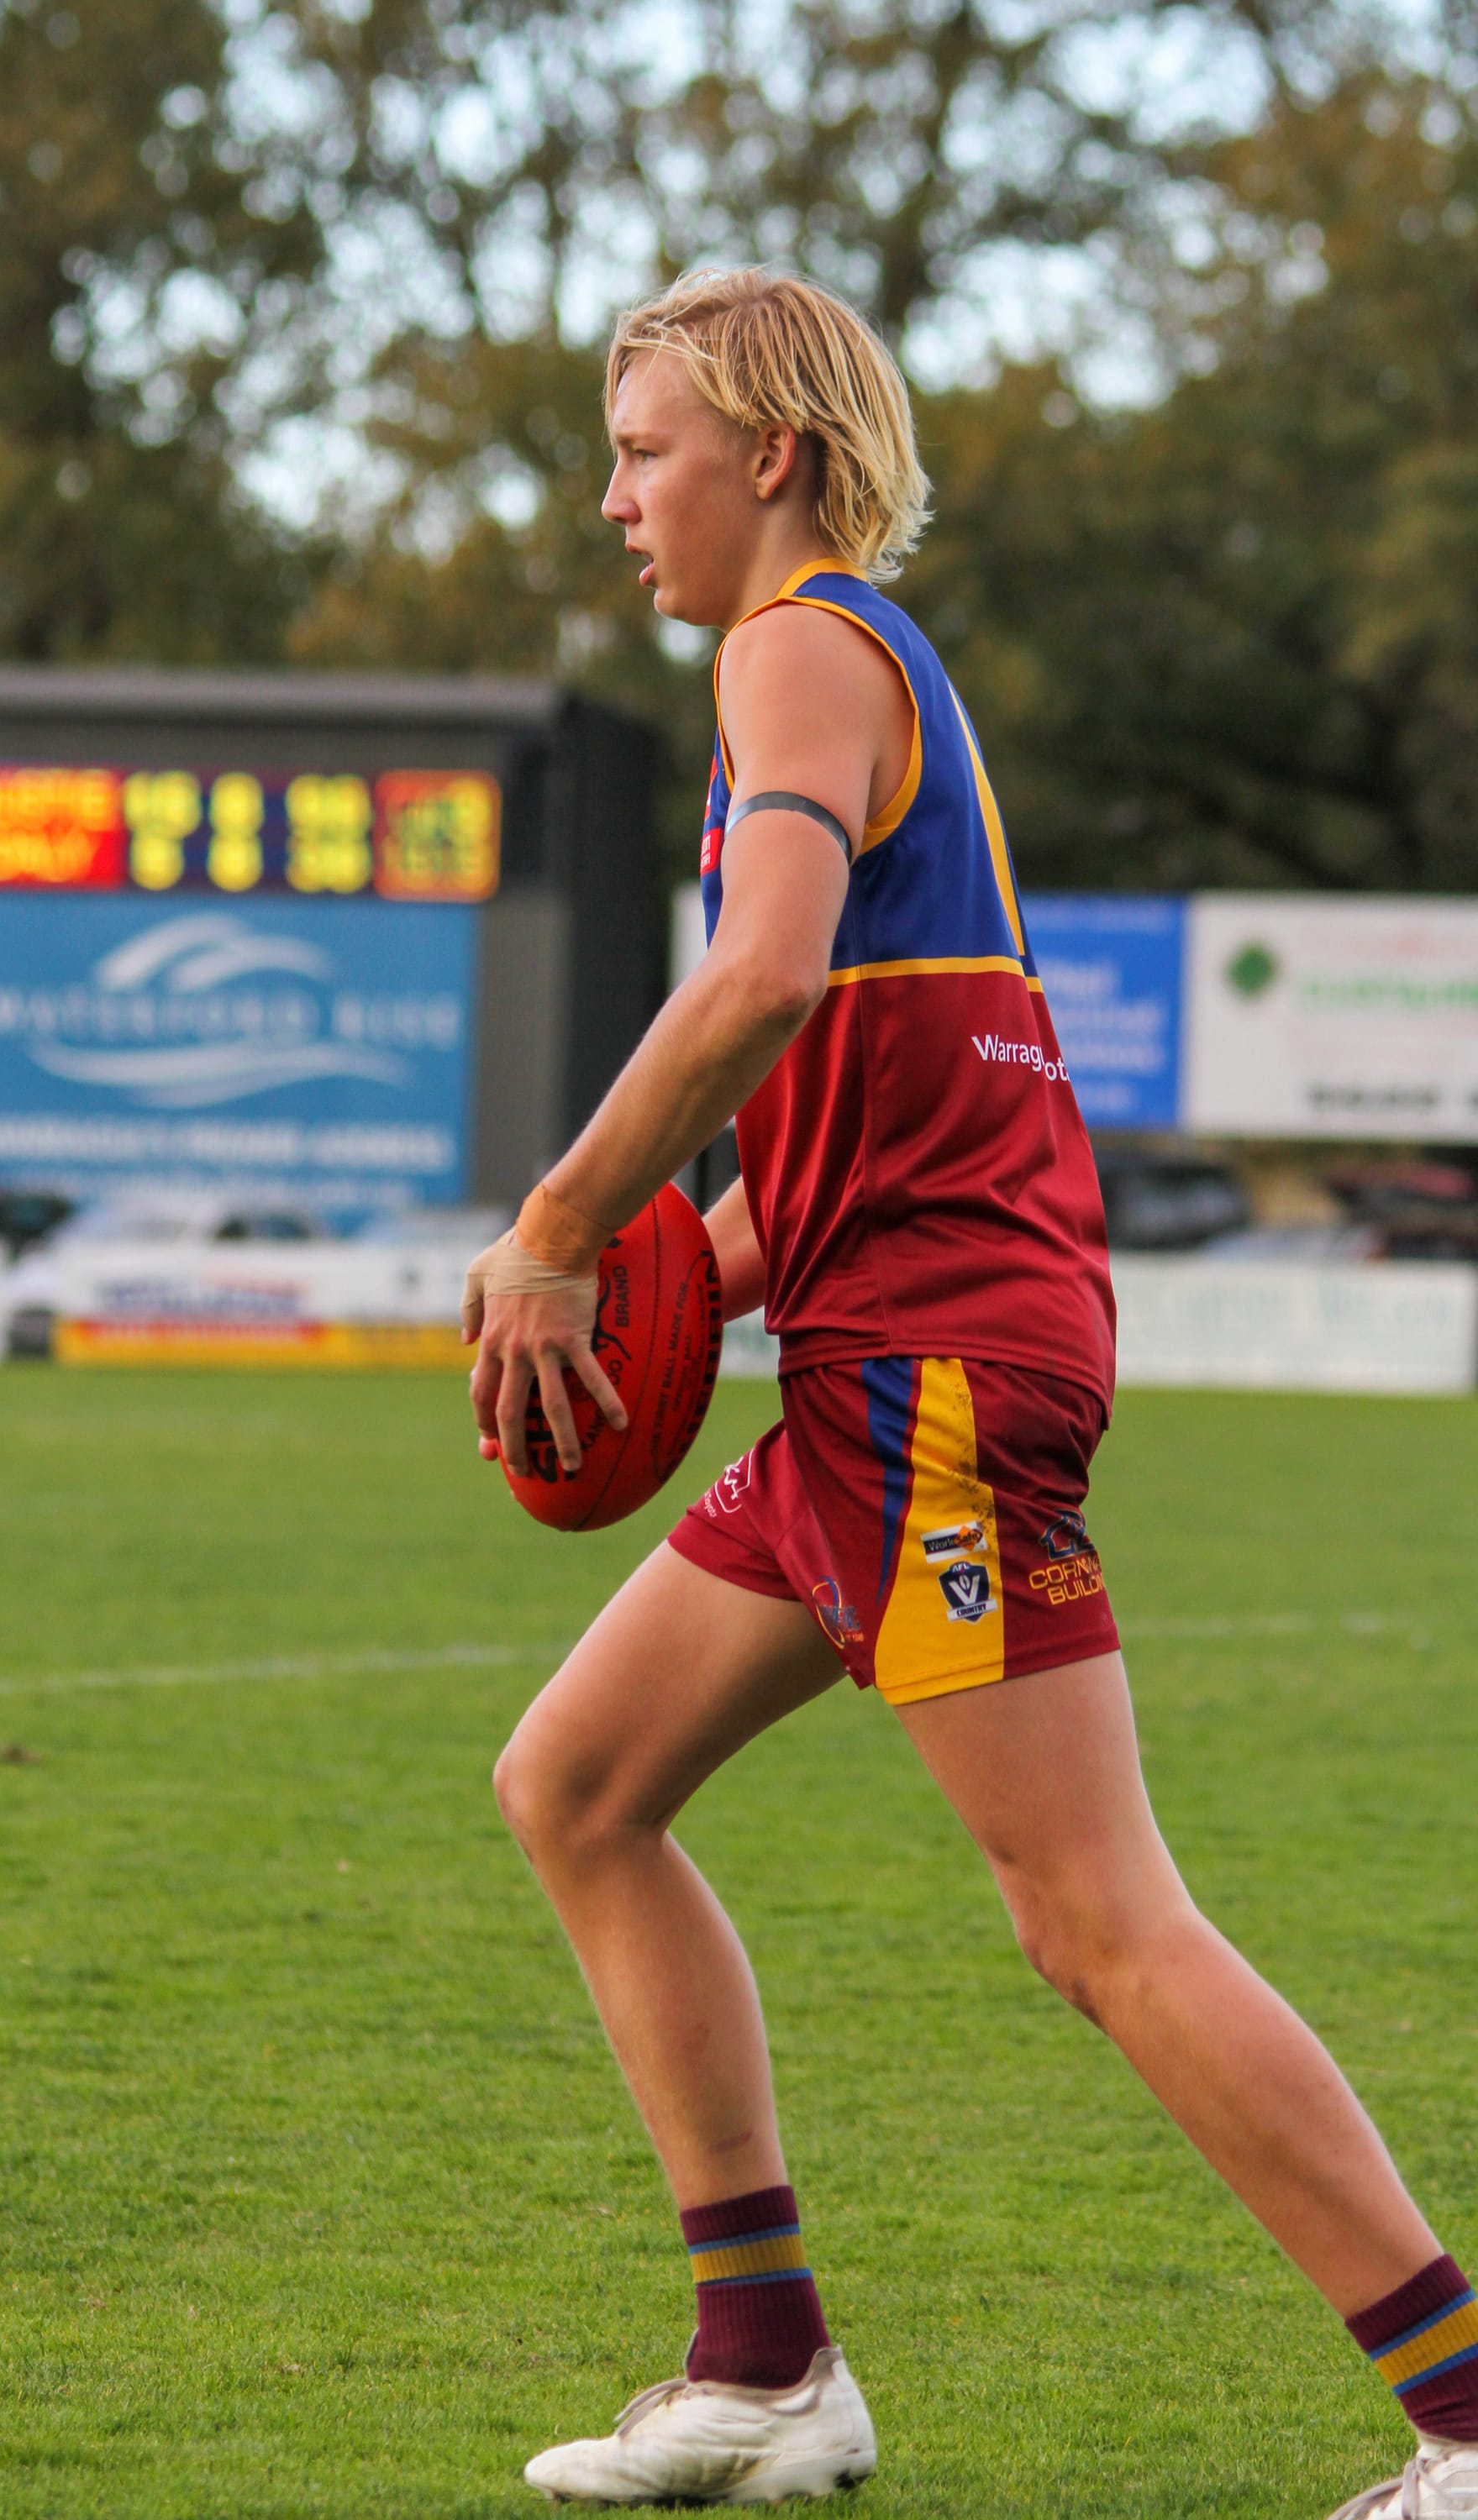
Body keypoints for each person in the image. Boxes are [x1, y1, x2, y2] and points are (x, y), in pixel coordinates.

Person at [459, 267, 1478, 2515]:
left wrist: (557, 1231)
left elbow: (765, 980)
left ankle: (1475, 2418)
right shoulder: (839, 683)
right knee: (579, 1786)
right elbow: (839, 1083)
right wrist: (664, 1288)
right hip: (871, 1365)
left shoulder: (796, 648)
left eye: (644, 450)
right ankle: (766, 2369)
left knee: (1098, 1921)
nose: (615, 497)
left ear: (773, 459)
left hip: (924, 1380)